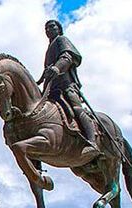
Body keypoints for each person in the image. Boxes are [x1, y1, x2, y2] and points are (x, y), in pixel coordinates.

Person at [38, 19, 99, 156]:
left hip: (66, 84)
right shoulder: (49, 49)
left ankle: (92, 141)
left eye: (51, 26)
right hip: (52, 86)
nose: (48, 30)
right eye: (46, 28)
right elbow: (47, 70)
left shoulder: (61, 40)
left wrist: (56, 68)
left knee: (76, 107)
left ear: (59, 28)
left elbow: (67, 57)